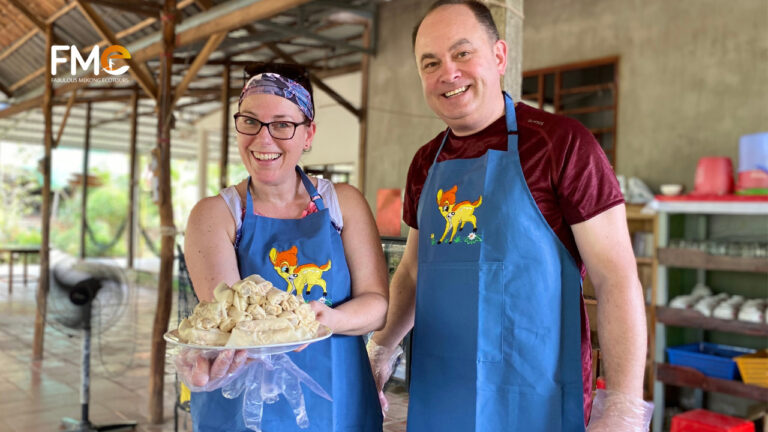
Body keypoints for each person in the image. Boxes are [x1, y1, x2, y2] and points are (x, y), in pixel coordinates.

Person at [367, 1, 652, 431]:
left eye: (463, 53)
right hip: (443, 393)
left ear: (499, 56)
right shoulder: (426, 162)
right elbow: (411, 272)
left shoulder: (563, 144)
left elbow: (616, 277)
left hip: (538, 396)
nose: (449, 72)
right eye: (431, 63)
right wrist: (380, 350)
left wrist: (624, 408)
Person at [184, 62, 388, 432]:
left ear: (308, 134)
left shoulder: (343, 204)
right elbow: (234, 322)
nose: (263, 140)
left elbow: (376, 305)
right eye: (250, 121)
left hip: (338, 401)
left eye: (282, 124)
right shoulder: (216, 215)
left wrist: (327, 319)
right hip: (251, 410)